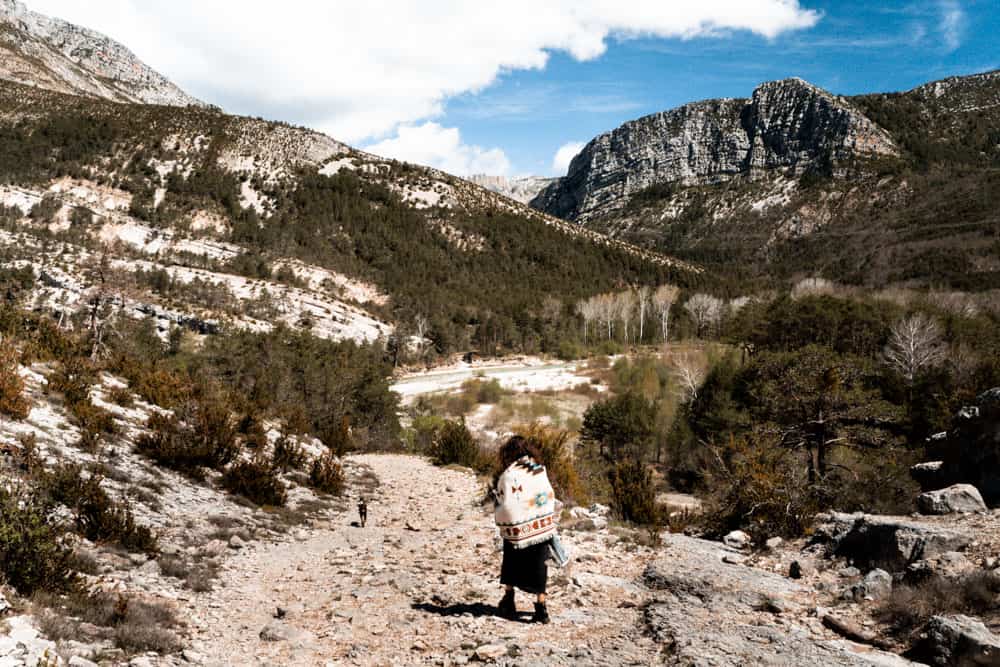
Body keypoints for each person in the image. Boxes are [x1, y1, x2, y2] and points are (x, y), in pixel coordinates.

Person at [493, 435, 561, 624]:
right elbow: (547, 495)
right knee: (540, 564)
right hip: (540, 527)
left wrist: (506, 517)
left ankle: (509, 599)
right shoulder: (538, 470)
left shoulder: (508, 474)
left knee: (511, 559)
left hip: (515, 527)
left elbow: (503, 499)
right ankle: (541, 607)